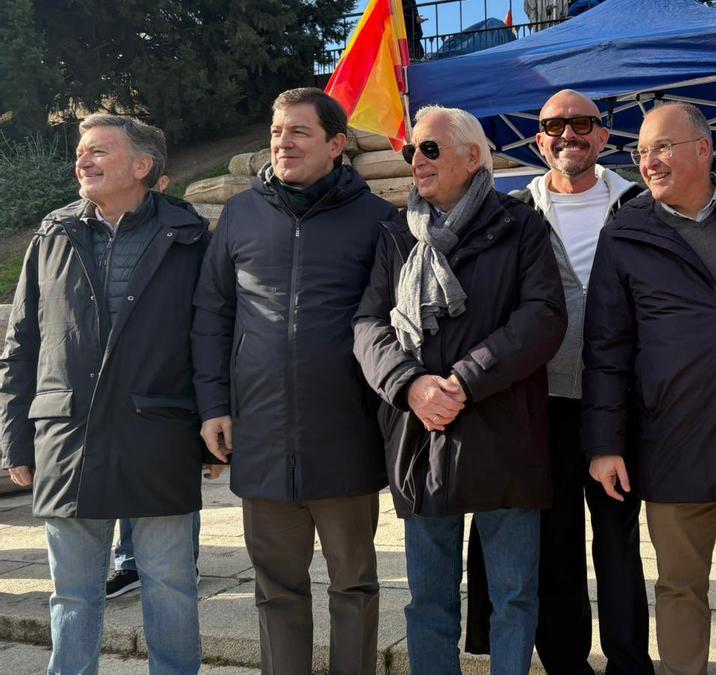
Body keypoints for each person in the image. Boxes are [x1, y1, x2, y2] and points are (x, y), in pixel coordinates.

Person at [583, 102, 716, 675]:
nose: (648, 162)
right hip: (673, 443)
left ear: (703, 150)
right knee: (679, 587)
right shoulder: (625, 233)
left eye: (661, 148)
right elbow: (606, 348)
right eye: (641, 152)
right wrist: (605, 444)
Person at [352, 104, 567, 673]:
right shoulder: (397, 235)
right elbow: (368, 325)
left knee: (514, 599)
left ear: (474, 157)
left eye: (430, 148)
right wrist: (411, 385)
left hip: (506, 437)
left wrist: (465, 379)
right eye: (410, 151)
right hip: (421, 436)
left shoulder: (521, 226)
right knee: (428, 602)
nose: (415, 161)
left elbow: (543, 316)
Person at [192, 87, 393, 674]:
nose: (283, 143)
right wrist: (213, 406)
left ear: (336, 145)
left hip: (346, 434)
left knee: (354, 584)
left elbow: (392, 325)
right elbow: (212, 315)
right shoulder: (239, 215)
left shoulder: (380, 220)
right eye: (277, 132)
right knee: (276, 588)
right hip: (261, 434)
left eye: (299, 132)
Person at [0, 113, 211, 673]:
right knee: (71, 595)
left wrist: (214, 431)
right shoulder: (53, 234)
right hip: (68, 437)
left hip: (160, 436)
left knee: (170, 588)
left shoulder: (189, 236)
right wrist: (16, 441)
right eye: (80, 151)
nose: (82, 160)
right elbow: (22, 344)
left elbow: (211, 340)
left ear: (142, 167)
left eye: (98, 151)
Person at [462, 89, 653, 675]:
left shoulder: (641, 203)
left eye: (581, 123)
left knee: (618, 543)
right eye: (553, 125)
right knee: (556, 544)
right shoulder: (512, 212)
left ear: (603, 135)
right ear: (538, 139)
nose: (567, 133)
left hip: (620, 405)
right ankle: (567, 663)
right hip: (539, 404)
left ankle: (628, 662)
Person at [106, 173, 206, 600]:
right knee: (127, 477)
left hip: (171, 383)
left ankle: (182, 560)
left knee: (171, 482)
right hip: (121, 380)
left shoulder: (187, 233)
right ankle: (129, 561)